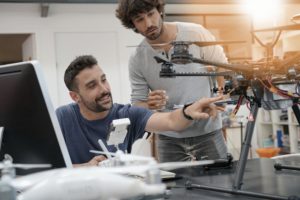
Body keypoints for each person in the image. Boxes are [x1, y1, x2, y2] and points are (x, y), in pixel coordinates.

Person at [56, 55, 223, 167]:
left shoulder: (127, 114)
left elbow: (171, 121)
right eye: (92, 86)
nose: (104, 89)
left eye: (104, 80)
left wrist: (189, 111)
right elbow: (44, 168)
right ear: (75, 96)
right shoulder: (61, 118)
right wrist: (86, 167)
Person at [116, 0, 228, 162]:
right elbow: (137, 106)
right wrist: (149, 104)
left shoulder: (196, 33)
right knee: (175, 187)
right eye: (140, 19)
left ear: (159, 10)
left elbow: (223, 67)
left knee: (221, 180)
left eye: (150, 14)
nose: (148, 24)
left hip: (207, 130)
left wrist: (221, 97)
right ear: (132, 24)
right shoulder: (137, 59)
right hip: (169, 138)